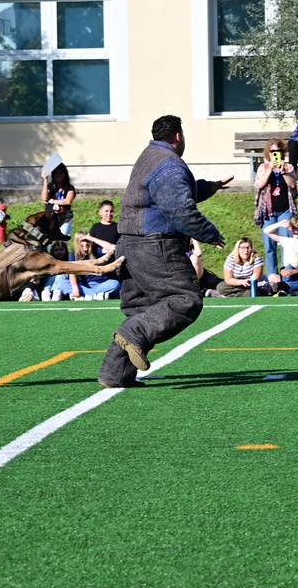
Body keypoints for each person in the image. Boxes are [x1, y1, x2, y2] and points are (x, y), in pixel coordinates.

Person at [97, 115, 227, 389]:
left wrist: (208, 186)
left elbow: (167, 193)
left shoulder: (148, 156)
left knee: (141, 308)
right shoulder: (169, 165)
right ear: (178, 136)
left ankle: (115, 373)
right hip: (155, 246)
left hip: (129, 246)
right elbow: (181, 210)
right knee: (186, 299)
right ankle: (134, 334)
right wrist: (210, 233)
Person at [254, 137, 298, 277]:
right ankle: (273, 277)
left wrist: (283, 172)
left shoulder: (288, 166)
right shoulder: (263, 167)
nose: (275, 153)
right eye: (273, 151)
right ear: (268, 152)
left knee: (287, 245)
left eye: (278, 151)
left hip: (285, 210)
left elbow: (292, 185)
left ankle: (286, 275)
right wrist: (270, 169)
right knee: (269, 247)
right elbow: (259, 185)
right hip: (268, 212)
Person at [64, 232, 121, 301]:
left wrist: (92, 238)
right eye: (82, 241)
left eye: (87, 241)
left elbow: (112, 248)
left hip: (102, 284)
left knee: (115, 284)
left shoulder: (96, 250)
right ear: (77, 242)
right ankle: (96, 295)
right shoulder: (73, 255)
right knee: (63, 283)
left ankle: (87, 296)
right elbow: (71, 273)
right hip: (85, 286)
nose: (85, 243)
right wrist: (74, 287)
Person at [262, 215, 298, 289]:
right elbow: (266, 231)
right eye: (294, 228)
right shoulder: (286, 241)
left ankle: (287, 287)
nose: (297, 231)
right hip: (286, 273)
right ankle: (289, 287)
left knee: (290, 267)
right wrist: (280, 224)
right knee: (272, 277)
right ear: (290, 229)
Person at [42, 162, 76, 237]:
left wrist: (52, 201)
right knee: (48, 241)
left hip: (64, 219)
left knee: (61, 240)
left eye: (61, 173)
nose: (58, 176)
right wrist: (45, 181)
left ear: (65, 174)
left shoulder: (69, 188)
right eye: (56, 173)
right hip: (50, 219)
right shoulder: (50, 187)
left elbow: (67, 201)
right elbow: (44, 199)